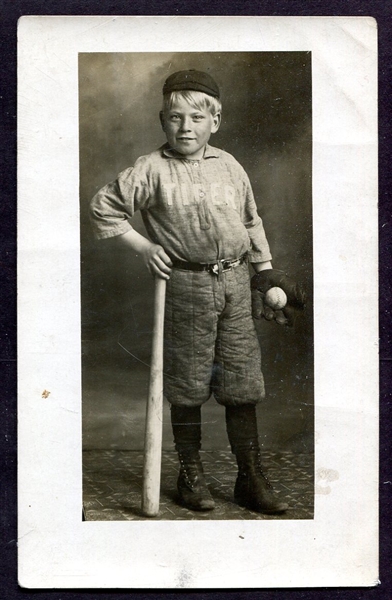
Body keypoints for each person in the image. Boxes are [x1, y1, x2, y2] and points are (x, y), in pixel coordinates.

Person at [90, 69, 306, 514]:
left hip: (235, 283)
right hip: (185, 286)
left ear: (216, 121)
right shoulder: (151, 170)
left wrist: (264, 274)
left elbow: (251, 220)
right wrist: (145, 246)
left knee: (242, 382)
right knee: (188, 384)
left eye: (196, 117)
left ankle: (251, 479)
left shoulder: (230, 166)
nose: (185, 127)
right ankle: (191, 477)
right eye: (174, 117)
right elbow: (103, 209)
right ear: (162, 120)